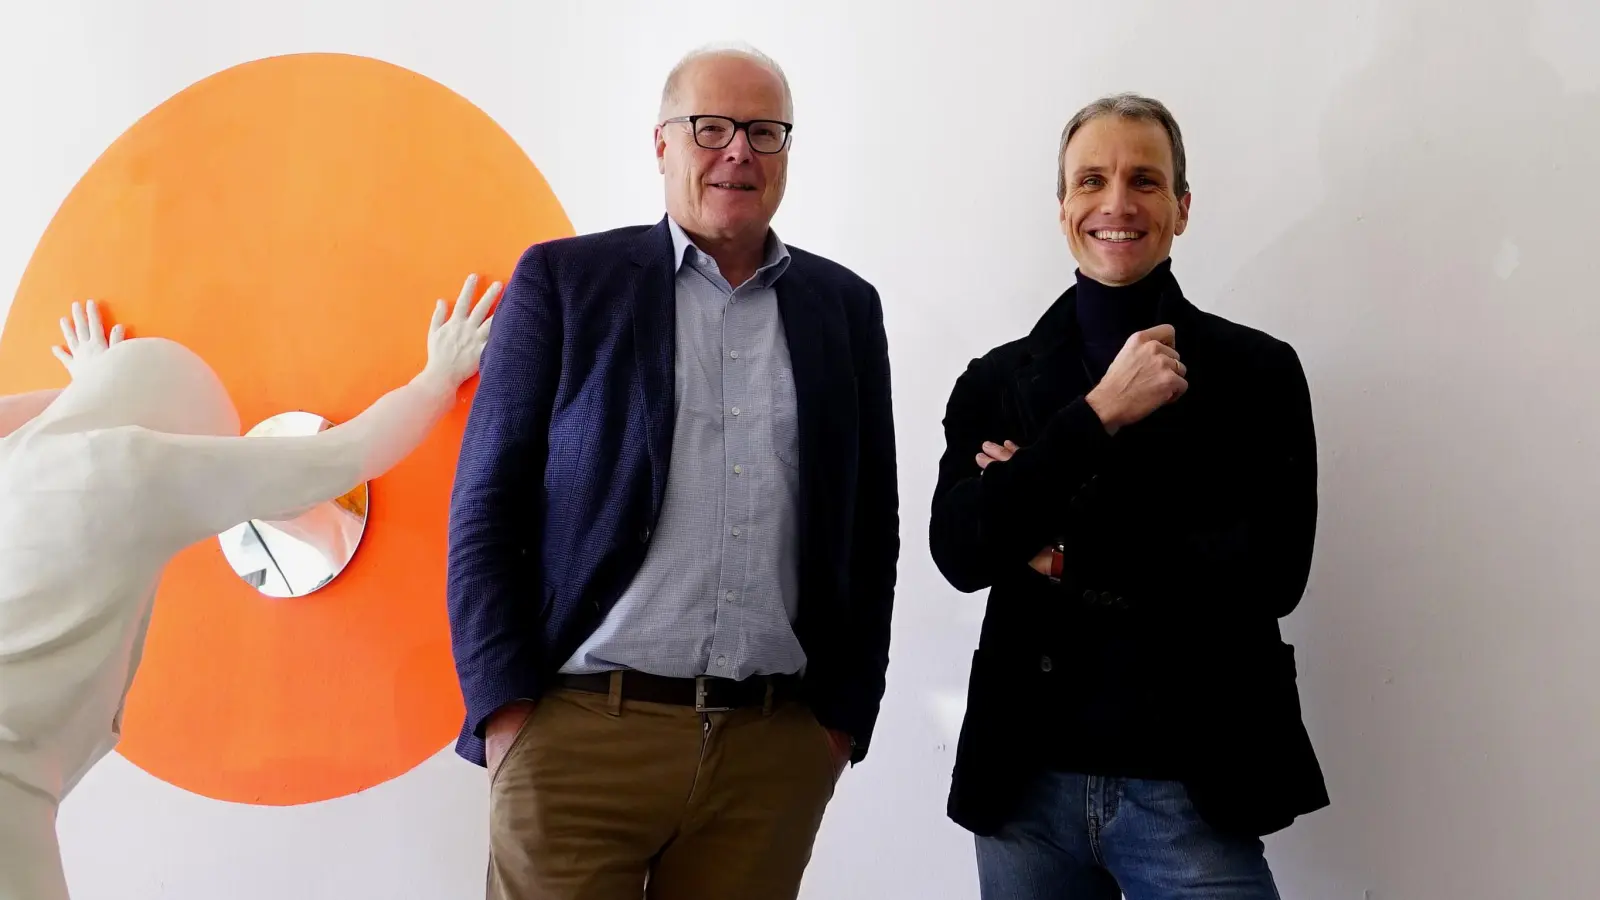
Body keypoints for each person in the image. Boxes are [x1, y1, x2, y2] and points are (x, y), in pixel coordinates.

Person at [446, 42, 899, 900]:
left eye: (765, 132)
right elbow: (484, 505)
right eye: (712, 127)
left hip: (769, 751)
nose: (739, 151)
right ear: (662, 145)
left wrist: (839, 724)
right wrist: (505, 712)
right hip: (581, 736)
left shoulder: (844, 309)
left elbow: (871, 525)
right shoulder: (565, 282)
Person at [928, 93, 1328, 899]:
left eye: (1144, 181)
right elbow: (964, 552)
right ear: (1063, 207)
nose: (1117, 203)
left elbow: (1269, 573)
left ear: (1181, 209)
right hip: (1025, 790)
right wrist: (1098, 416)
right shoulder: (998, 379)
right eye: (1092, 180)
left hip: (1194, 786)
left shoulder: (1258, 372)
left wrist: (1060, 546)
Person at [0, 278, 496, 900]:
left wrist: (93, 390)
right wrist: (437, 378)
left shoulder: (20, 458)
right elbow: (350, 453)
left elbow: (45, 419)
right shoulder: (137, 469)